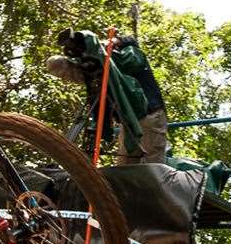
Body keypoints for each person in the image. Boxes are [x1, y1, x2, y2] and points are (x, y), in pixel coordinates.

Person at [47, 29, 167, 165]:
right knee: (124, 167)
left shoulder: (131, 54)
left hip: (150, 116)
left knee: (153, 167)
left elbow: (129, 56)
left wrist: (107, 48)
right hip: (129, 124)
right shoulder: (104, 69)